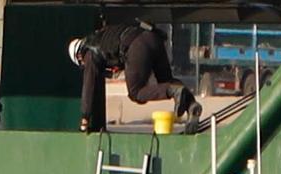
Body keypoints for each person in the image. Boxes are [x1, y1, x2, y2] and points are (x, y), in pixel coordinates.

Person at [67, 23, 201, 133]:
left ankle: (174, 91)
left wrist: (85, 118)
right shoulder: (100, 36)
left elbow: (89, 87)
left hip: (136, 46)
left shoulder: (88, 54)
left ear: (78, 56)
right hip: (152, 37)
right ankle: (191, 105)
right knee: (166, 81)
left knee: (136, 92)